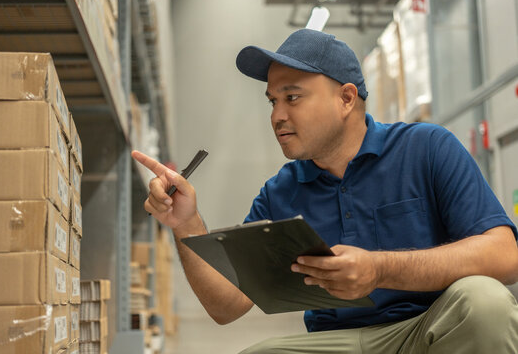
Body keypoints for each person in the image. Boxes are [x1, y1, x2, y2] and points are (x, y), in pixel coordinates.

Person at [132, 29, 518, 353]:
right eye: (273, 100)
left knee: (485, 303)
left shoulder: (426, 148)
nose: (277, 116)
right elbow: (226, 305)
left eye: (292, 97)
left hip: (428, 332)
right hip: (337, 342)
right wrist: (186, 225)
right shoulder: (280, 193)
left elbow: (505, 254)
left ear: (346, 98)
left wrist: (380, 269)